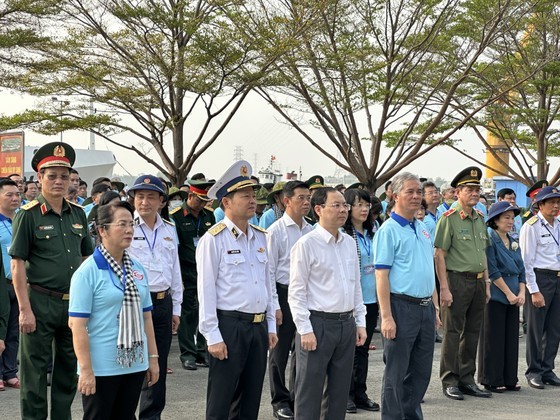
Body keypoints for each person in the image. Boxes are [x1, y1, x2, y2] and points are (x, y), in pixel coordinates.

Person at [9, 142, 94, 419]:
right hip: (39, 301)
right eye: (51, 175)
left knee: (69, 369)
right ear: (40, 178)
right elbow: (18, 263)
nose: (59, 181)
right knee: (33, 373)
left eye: (64, 176)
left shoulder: (79, 213)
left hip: (73, 305)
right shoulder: (28, 214)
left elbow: (86, 262)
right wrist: (24, 310)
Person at [197, 160, 277, 420]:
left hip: (257, 326)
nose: (252, 200)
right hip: (229, 325)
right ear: (226, 203)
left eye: (253, 195)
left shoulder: (261, 236)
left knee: (250, 399)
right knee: (221, 399)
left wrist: (272, 326)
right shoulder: (214, 239)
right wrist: (212, 335)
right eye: (245, 196)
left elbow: (269, 284)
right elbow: (205, 290)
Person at [68, 202, 159, 419]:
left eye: (131, 224)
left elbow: (146, 317)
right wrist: (86, 370)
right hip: (101, 367)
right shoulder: (87, 272)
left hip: (134, 363)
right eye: (122, 224)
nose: (129, 230)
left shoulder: (137, 268)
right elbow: (77, 326)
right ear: (102, 230)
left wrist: (153, 358)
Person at [289, 187, 367, 420]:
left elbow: (355, 286)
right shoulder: (307, 244)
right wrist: (305, 329)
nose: (344, 210)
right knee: (309, 392)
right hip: (318, 324)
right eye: (337, 205)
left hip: (346, 324)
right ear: (318, 209)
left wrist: (360, 322)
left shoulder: (348, 242)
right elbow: (296, 292)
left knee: (339, 393)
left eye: (345, 205)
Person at [373, 172, 438, 419]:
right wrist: (387, 317)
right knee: (396, 374)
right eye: (410, 191)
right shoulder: (388, 231)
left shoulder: (422, 228)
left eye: (419, 192)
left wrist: (434, 308)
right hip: (401, 307)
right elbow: (381, 276)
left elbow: (426, 270)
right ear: (395, 195)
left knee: (420, 373)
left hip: (425, 309)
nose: (415, 196)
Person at [127, 175, 182, 420]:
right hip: (132, 304)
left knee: (155, 364)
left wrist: (176, 308)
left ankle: (151, 416)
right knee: (129, 365)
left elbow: (175, 270)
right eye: (140, 197)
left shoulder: (170, 229)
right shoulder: (126, 226)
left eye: (151, 197)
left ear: (162, 201)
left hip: (162, 302)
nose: (144, 202)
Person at [434, 166, 492, 400]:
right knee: (452, 332)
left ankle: (468, 378)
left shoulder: (479, 218)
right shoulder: (449, 219)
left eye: (477, 189)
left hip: (478, 281)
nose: (475, 193)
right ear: (457, 192)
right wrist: (444, 288)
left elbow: (484, 253)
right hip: (456, 280)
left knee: (472, 331)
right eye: (469, 189)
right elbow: (439, 254)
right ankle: (450, 380)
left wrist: (487, 282)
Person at [267, 180, 313, 420]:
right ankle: (279, 400)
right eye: (301, 198)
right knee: (279, 352)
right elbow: (269, 272)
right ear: (286, 201)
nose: (307, 202)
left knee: (303, 349)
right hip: (282, 294)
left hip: (306, 295)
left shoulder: (312, 229)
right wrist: (274, 305)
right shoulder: (275, 231)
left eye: (308, 198)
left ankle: (297, 397)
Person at [478, 201, 525, 393]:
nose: (510, 221)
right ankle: (492, 378)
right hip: (498, 294)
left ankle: (509, 377)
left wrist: (521, 293)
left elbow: (522, 269)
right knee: (493, 338)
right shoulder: (490, 239)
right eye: (506, 217)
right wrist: (508, 293)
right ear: (495, 220)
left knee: (511, 339)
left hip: (515, 294)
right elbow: (493, 270)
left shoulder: (513, 240)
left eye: (512, 218)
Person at [170, 179, 216, 371]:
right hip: (185, 270)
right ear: (190, 196)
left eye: (205, 200)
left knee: (205, 310)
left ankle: (202, 351)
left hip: (204, 270)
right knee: (188, 313)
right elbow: (174, 249)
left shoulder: (209, 216)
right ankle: (187, 354)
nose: (203, 204)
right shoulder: (176, 216)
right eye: (200, 200)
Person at [343, 188, 380, 414]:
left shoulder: (373, 232)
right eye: (359, 205)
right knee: (349, 350)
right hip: (351, 301)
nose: (364, 209)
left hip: (371, 298)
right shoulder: (343, 234)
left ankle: (360, 392)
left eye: (366, 205)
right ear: (348, 208)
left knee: (364, 350)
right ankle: (345, 394)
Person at [519, 186, 560, 389]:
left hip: (557, 278)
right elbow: (527, 261)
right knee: (536, 328)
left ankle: (547, 368)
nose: (556, 206)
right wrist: (533, 290)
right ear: (540, 204)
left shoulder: (559, 225)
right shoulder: (532, 226)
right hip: (540, 278)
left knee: (554, 328)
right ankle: (533, 371)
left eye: (558, 202)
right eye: (551, 202)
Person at [0, 178, 21, 391]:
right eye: (9, 195)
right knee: (0, 330)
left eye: (17, 194)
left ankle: (10, 372)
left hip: (19, 284)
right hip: (1, 284)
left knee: (14, 331)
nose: (15, 198)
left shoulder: (22, 219)